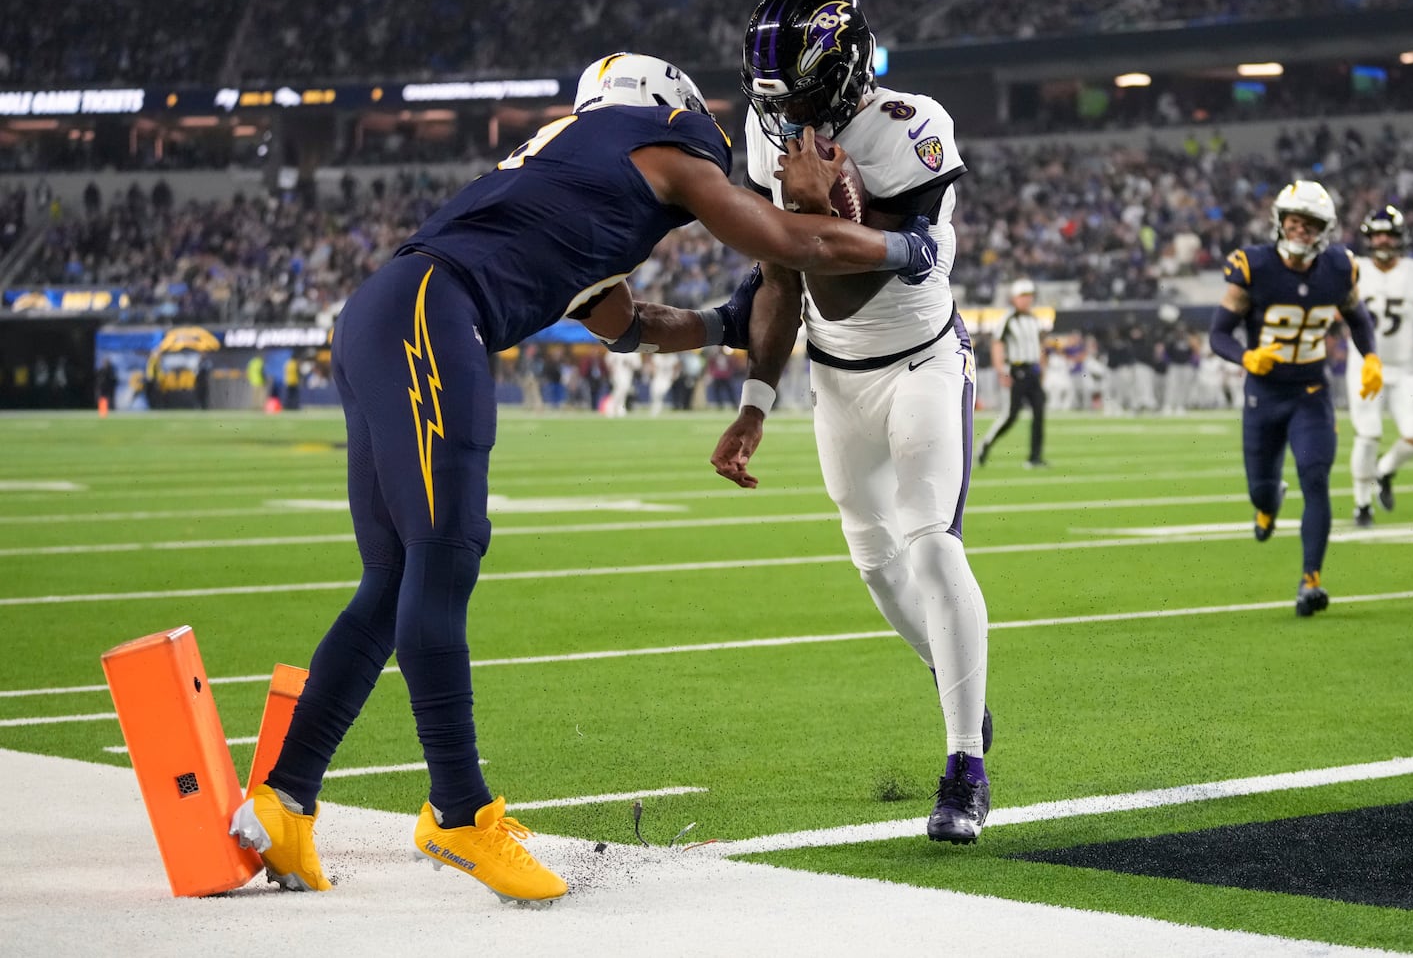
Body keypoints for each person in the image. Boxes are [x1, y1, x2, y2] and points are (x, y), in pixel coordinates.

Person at [228, 51, 941, 903]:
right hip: (432, 311)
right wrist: (910, 243)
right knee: (446, 555)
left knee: (391, 580)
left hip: (388, 311)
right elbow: (797, 241)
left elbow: (632, 323)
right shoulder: (658, 147)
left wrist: (729, 322)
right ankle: (458, 813)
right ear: (662, 102)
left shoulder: (573, 173)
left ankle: (283, 799)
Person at [710, 0, 993, 844]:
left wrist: (821, 211)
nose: (782, 115)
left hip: (920, 364)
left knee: (930, 541)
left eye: (794, 94)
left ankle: (964, 765)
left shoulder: (911, 125)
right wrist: (757, 397)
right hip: (835, 375)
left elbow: (898, 259)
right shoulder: (773, 144)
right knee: (875, 565)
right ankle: (963, 689)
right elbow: (783, 279)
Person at [1209, 180, 1382, 617]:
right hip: (1264, 395)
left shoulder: (1341, 268)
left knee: (1316, 477)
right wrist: (1248, 358)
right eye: (1293, 221)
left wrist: (1371, 358)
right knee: (1262, 492)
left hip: (1311, 392)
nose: (1300, 230)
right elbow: (1217, 334)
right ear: (1280, 222)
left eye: (1309, 224)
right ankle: (1268, 505)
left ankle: (1311, 580)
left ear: (1324, 229)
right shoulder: (1254, 266)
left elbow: (1357, 319)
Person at [1345, 205, 1413, 527]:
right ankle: (1362, 504)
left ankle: (1384, 470)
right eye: (1377, 234)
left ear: (1400, 237)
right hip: (1366, 366)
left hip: (1406, 368)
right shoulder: (1353, 269)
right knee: (1368, 434)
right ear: (1368, 238)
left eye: (1388, 234)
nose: (1383, 240)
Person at [978, 278, 1047, 468]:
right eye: (1023, 296)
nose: (1027, 300)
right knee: (1010, 416)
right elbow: (997, 345)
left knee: (1039, 413)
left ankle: (1035, 457)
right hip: (1016, 371)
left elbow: (1040, 346)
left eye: (1029, 296)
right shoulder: (1008, 319)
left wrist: (1042, 368)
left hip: (1032, 371)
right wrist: (1001, 371)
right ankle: (985, 443)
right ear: (1014, 299)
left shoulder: (1034, 320)